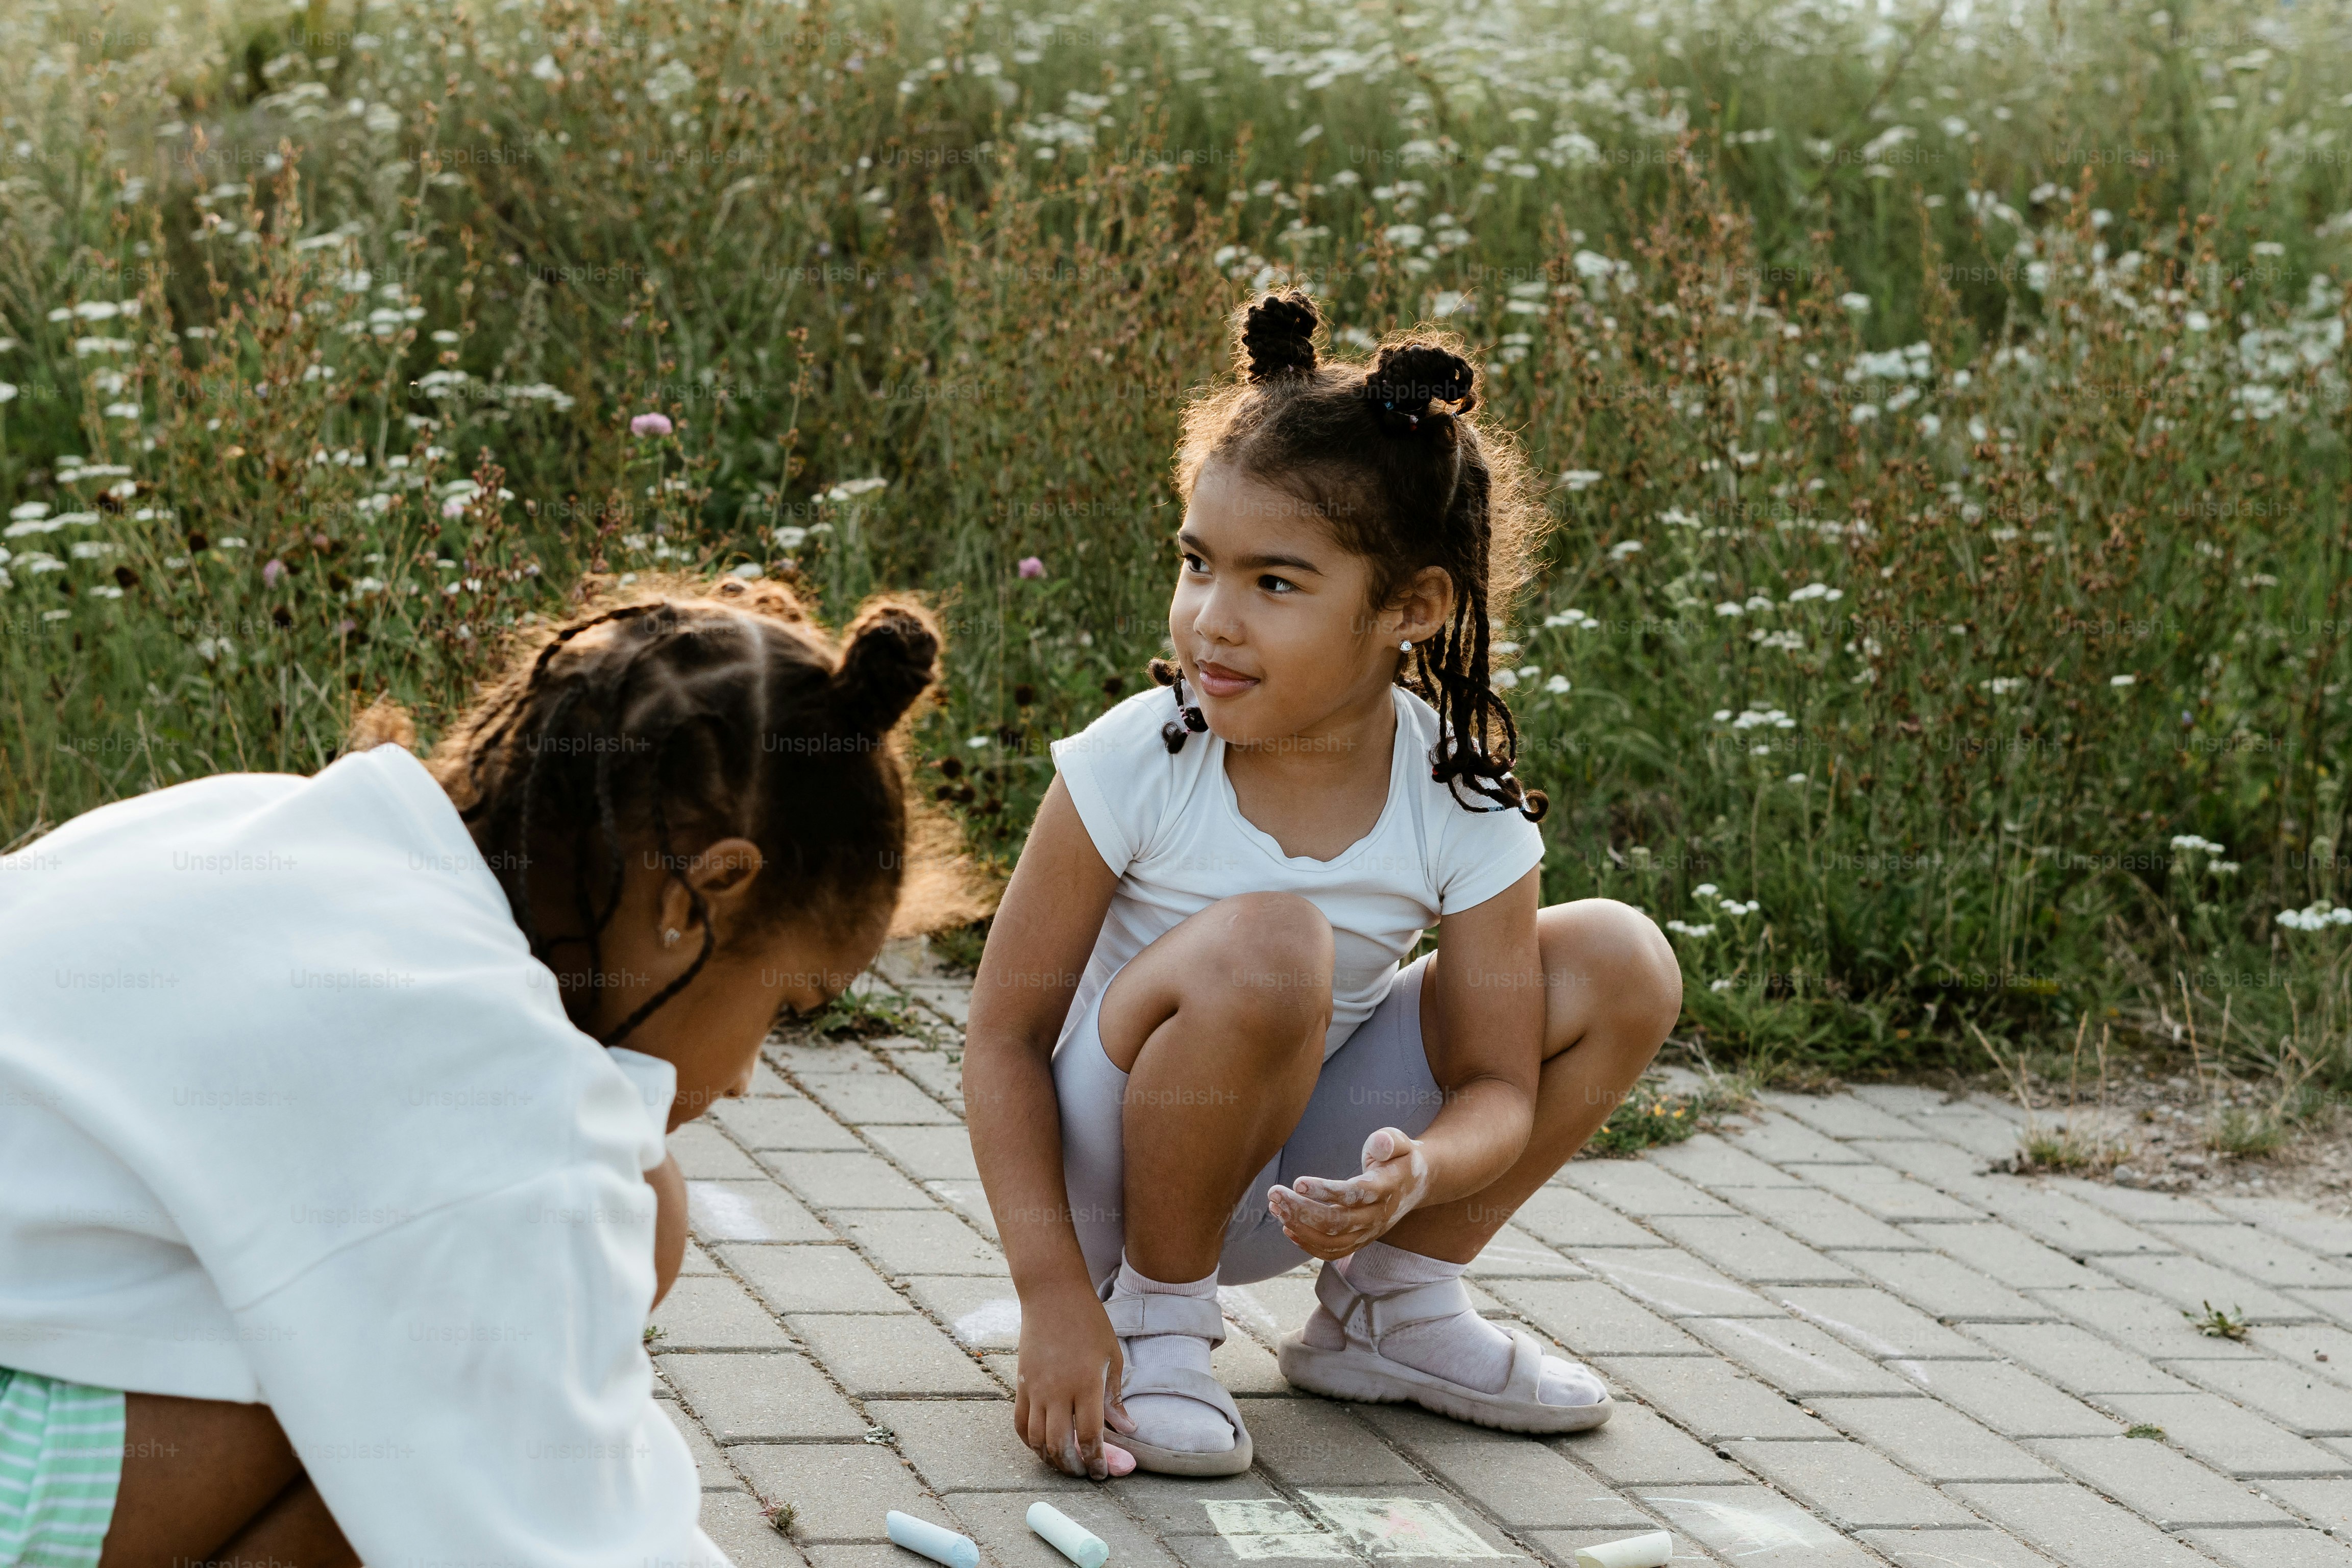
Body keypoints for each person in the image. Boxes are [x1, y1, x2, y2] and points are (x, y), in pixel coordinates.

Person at [0, 574, 945, 1566]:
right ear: (701, 895)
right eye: (783, 1009)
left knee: (593, 1238)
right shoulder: (482, 1074)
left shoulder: (283, 826)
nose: (751, 1075)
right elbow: (564, 1534)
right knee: (402, 1401)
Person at [965, 291, 1684, 1480]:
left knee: (1619, 957)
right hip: (1111, 1189)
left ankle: (1388, 1315)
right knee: (1274, 945)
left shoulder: (1460, 795)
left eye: (1275, 585)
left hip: (1303, 1183)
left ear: (1410, 609)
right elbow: (1000, 1039)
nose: (1211, 621)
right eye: (1198, 565)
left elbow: (1501, 1084)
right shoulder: (1140, 757)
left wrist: (1420, 1176)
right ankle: (1155, 1324)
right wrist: (1052, 1299)